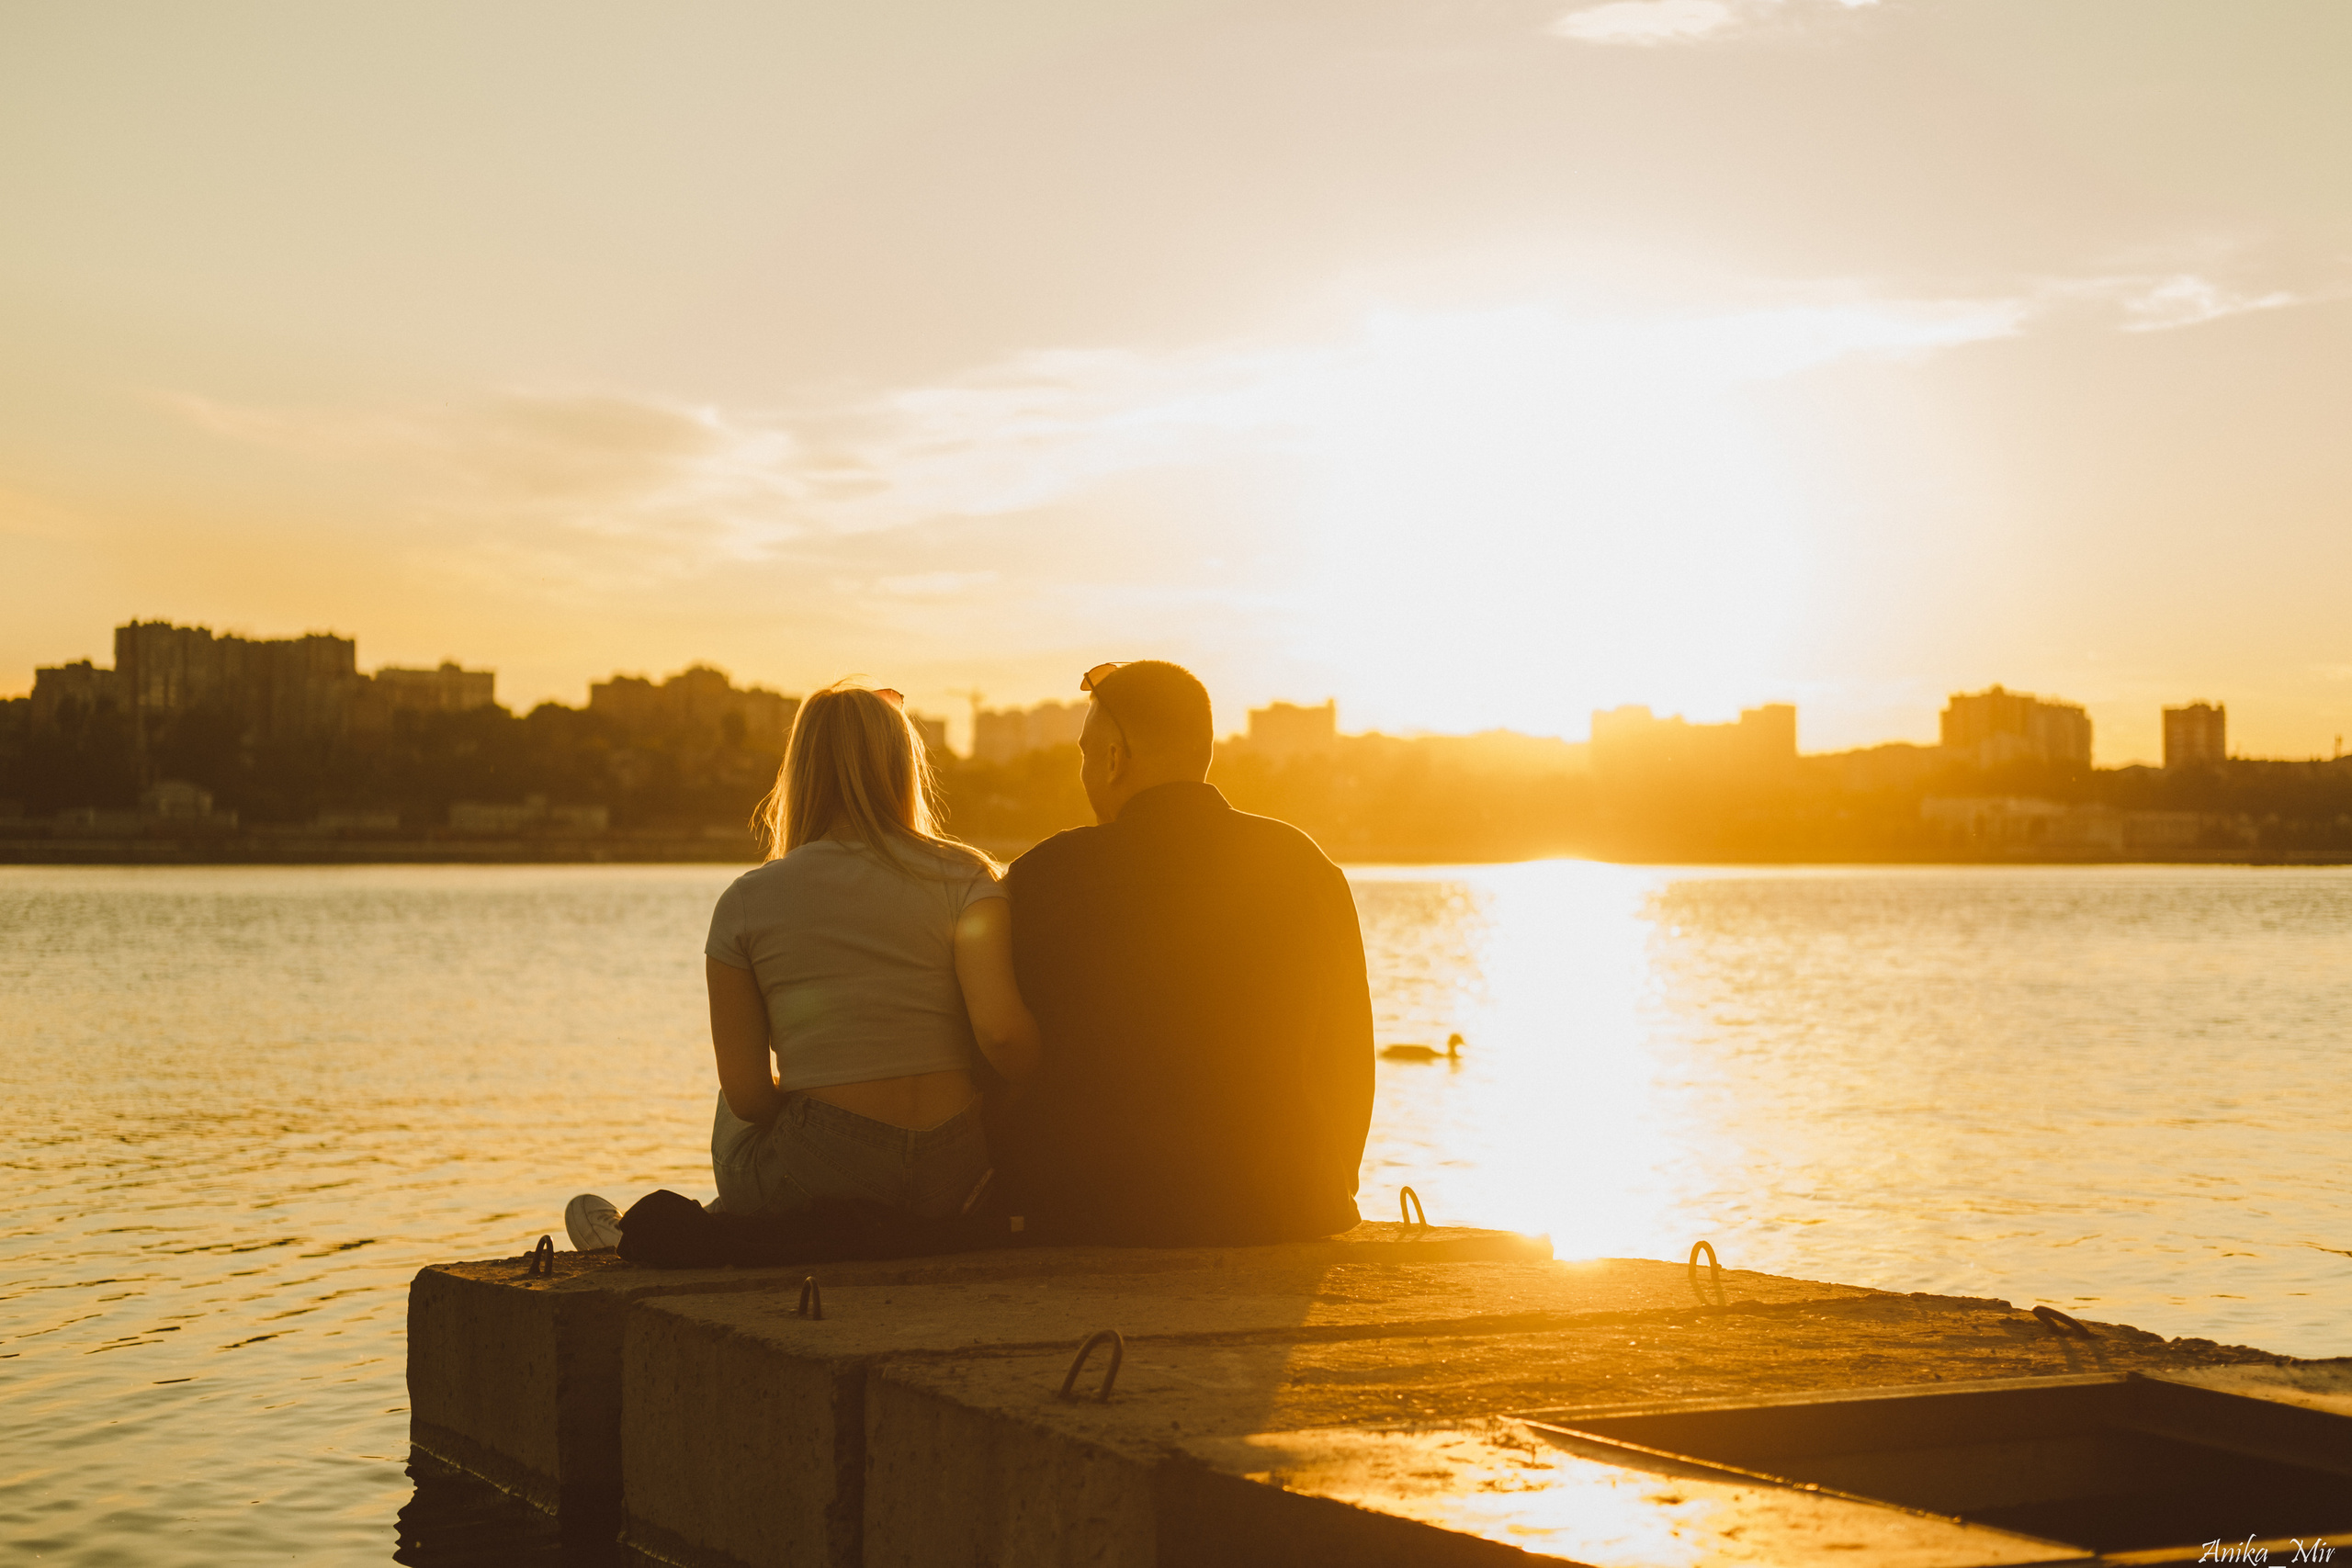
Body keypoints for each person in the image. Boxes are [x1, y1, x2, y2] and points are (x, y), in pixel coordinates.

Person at [566, 682, 1038, 1250]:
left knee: (740, 1075)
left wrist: (826, 1109)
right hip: (954, 1172)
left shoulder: (747, 901)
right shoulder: (968, 876)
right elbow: (1003, 1034)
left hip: (822, 1170)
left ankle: (632, 1239)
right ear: (902, 765)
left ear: (800, 772)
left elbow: (747, 1097)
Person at [986, 660, 1374, 1246]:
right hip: (1290, 1211)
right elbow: (1349, 1057)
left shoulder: (1043, 880)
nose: (1087, 770)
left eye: (1086, 754)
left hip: (1094, 1219)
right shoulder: (1304, 865)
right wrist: (1326, 1183)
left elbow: (996, 1053)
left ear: (1115, 759)